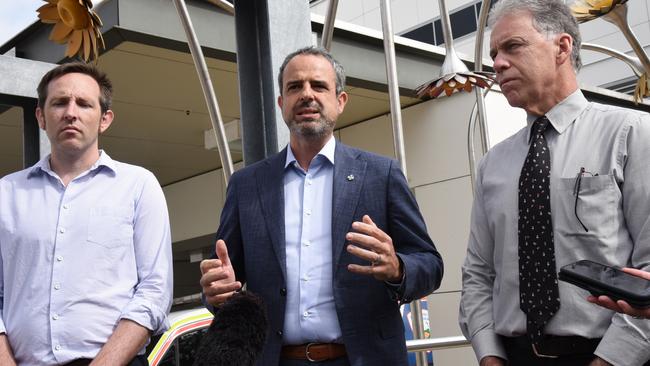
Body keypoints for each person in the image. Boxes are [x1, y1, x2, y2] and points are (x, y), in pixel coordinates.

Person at [199, 46, 443, 366]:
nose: (306, 95)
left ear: (340, 102)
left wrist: (397, 267)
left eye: (319, 85)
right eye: (294, 87)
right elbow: (224, 279)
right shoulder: (247, 185)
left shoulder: (381, 175)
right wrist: (215, 291)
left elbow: (430, 265)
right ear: (281, 103)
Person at [458, 0, 650, 365]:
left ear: (562, 47)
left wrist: (611, 360)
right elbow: (479, 274)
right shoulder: (492, 164)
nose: (497, 63)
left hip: (609, 356)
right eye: (494, 53)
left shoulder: (631, 134)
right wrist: (489, 357)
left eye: (512, 46)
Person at [0, 63, 173, 366]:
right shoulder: (6, 194)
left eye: (83, 103)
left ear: (105, 119)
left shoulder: (138, 186)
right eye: (59, 102)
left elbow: (154, 291)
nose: (71, 112)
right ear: (40, 116)